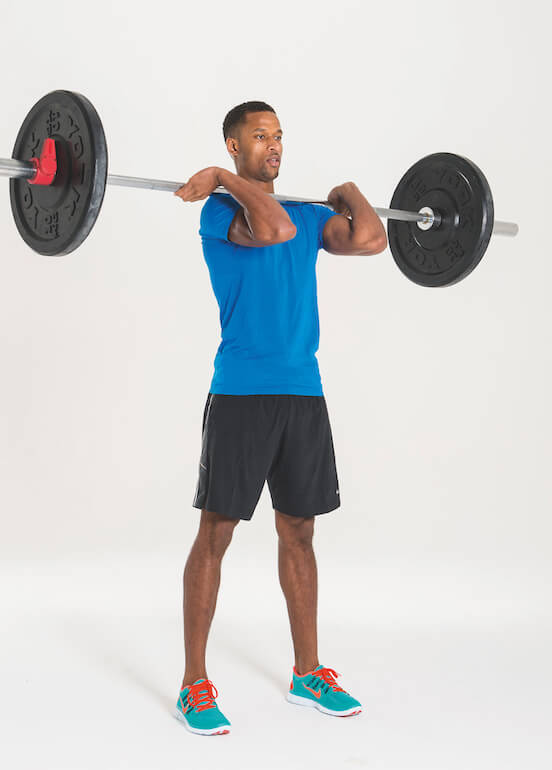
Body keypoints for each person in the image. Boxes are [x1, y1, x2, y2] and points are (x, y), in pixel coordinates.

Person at [172, 101, 387, 736]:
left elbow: (372, 237)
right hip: (241, 394)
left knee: (300, 532)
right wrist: (222, 182)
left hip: (303, 394)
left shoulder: (306, 210)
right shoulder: (220, 213)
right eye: (260, 137)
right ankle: (193, 684)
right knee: (217, 534)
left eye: (279, 136)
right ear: (236, 147)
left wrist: (348, 192)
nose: (274, 146)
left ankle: (307, 671)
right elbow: (269, 230)